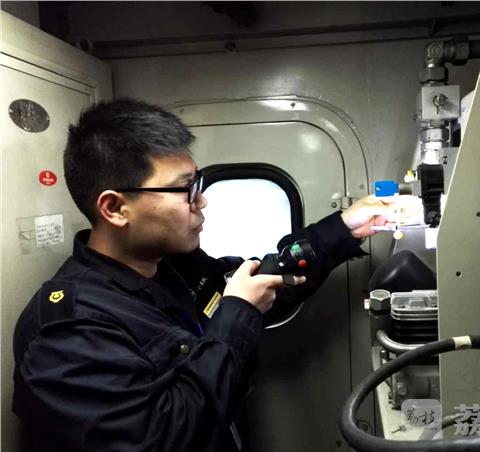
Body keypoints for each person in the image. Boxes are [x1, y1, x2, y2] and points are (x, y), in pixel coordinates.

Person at [12, 99, 395, 452]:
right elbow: (165, 440)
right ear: (115, 208)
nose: (202, 199)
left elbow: (263, 281)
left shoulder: (176, 265)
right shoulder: (67, 333)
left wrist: (343, 229)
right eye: (185, 189)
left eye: (197, 183)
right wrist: (237, 314)